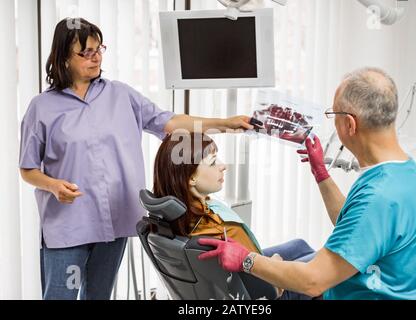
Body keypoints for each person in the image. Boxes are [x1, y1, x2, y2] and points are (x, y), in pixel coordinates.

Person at [19, 17, 254, 300]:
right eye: (86, 52)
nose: (95, 58)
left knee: (99, 297)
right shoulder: (42, 108)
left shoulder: (120, 94)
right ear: (64, 58)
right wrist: (53, 185)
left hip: (114, 222)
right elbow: (28, 169)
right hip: (68, 226)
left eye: (99, 49)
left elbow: (168, 122)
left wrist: (225, 123)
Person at [198, 67, 416, 300]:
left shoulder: (379, 196)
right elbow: (355, 226)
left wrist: (245, 259)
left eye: (333, 115)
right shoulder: (410, 174)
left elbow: (313, 281)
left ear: (350, 125)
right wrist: (320, 171)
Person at [153, 132, 316, 299]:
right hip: (268, 289)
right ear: (191, 178)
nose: (223, 166)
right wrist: (275, 265)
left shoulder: (179, 215)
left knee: (300, 245)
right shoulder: (215, 230)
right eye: (213, 162)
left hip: (247, 269)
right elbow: (265, 287)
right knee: (327, 268)